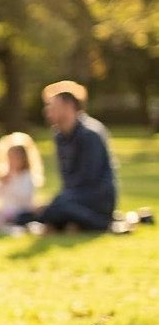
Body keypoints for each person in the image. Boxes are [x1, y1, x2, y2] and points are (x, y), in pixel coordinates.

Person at [19, 88, 116, 231]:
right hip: (73, 197)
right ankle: (72, 222)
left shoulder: (90, 134)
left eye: (52, 105)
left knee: (55, 209)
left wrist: (59, 201)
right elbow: (68, 180)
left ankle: (99, 223)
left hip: (96, 198)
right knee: (28, 214)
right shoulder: (60, 136)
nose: (47, 110)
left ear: (69, 106)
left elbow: (89, 179)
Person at [0, 132, 43, 224]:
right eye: (10, 157)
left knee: (21, 217)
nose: (12, 161)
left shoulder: (27, 176)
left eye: (16, 158)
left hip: (20, 212)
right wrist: (1, 182)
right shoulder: (5, 175)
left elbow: (26, 196)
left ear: (24, 159)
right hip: (3, 211)